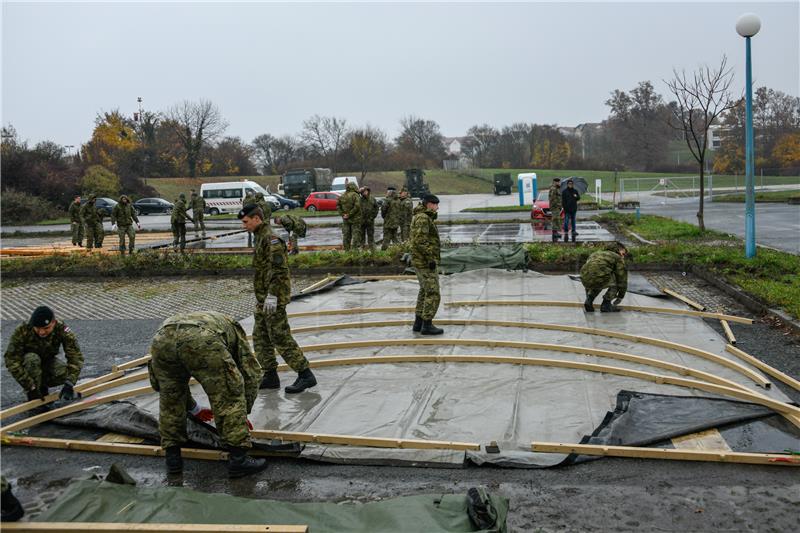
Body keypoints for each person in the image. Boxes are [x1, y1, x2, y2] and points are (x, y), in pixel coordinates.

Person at [147, 311, 267, 478]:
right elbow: (251, 373)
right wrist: (241, 413)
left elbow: (165, 386)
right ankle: (238, 460)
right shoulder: (233, 329)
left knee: (170, 397)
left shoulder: (210, 321)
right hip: (202, 339)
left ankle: (173, 460)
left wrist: (194, 409)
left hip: (162, 339)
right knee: (228, 392)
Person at [238, 204, 317, 393]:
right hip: (263, 298)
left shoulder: (271, 239)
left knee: (280, 336)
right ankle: (270, 375)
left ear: (257, 219)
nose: (244, 226)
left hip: (273, 297)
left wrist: (272, 297)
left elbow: (279, 271)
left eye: (246, 222)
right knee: (260, 336)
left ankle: (305, 374)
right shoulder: (259, 237)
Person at [3, 306, 83, 404]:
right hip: (29, 364)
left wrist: (69, 383)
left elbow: (75, 356)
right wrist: (29, 386)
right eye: (37, 328)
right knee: (32, 359)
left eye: (46, 328)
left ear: (53, 322)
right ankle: (36, 391)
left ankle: (42, 385)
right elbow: (11, 360)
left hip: (48, 361)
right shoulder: (22, 330)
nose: (41, 332)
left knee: (65, 374)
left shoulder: (62, 329)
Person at [410, 194, 443, 335]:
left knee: (424, 290)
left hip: (419, 260)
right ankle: (427, 325)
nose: (437, 207)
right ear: (429, 204)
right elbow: (420, 241)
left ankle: (418, 323)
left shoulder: (421, 216)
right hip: (424, 262)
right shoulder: (423, 218)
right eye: (436, 204)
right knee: (433, 292)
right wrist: (430, 258)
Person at [580, 243, 629, 312]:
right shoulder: (617, 257)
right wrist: (620, 296)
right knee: (616, 279)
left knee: (599, 278)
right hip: (599, 278)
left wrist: (588, 296)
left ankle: (589, 301)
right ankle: (606, 305)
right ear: (618, 250)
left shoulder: (595, 254)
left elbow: (591, 272)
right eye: (623, 254)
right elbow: (622, 279)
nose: (623, 256)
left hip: (585, 279)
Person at [336, 181, 363, 251]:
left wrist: (343, 214)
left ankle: (346, 251)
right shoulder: (355, 195)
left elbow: (338, 206)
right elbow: (357, 206)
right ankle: (355, 250)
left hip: (345, 219)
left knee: (346, 235)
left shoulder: (342, 195)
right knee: (356, 235)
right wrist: (349, 214)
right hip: (355, 219)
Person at [549, 178, 562, 242]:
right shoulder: (553, 189)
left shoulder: (557, 188)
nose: (559, 183)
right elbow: (552, 198)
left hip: (557, 207)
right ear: (555, 182)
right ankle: (554, 233)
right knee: (555, 219)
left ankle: (556, 232)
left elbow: (559, 197)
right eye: (558, 182)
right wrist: (557, 205)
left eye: (559, 182)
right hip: (555, 207)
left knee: (556, 219)